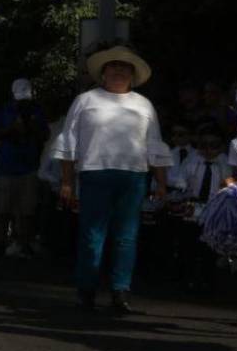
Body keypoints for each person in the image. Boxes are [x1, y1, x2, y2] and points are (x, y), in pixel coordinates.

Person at [52, 44, 172, 314]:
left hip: (134, 176)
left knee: (126, 236)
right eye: (113, 67)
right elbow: (69, 142)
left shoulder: (144, 105)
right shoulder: (85, 101)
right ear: (103, 74)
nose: (118, 71)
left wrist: (161, 182)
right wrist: (67, 181)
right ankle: (87, 289)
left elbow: (154, 144)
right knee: (92, 235)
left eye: (124, 68)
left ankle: (120, 290)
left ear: (132, 75)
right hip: (95, 172)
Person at [0, 79, 50, 257]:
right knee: (3, 208)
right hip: (7, 166)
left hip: (29, 166)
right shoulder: (4, 111)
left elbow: (45, 135)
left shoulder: (36, 111)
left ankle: (24, 242)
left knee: (28, 209)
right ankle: (1, 242)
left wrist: (31, 125)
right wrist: (11, 129)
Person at [169, 124, 231, 291]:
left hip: (215, 207)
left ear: (222, 146)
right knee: (189, 242)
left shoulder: (225, 162)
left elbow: (229, 184)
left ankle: (208, 280)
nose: (209, 150)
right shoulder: (193, 159)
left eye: (214, 146)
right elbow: (181, 179)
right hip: (193, 205)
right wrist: (180, 190)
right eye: (204, 145)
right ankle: (186, 278)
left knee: (210, 247)